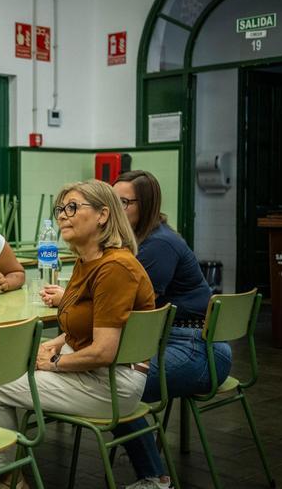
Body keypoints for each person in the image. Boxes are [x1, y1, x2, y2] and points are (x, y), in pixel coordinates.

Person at [0, 179, 155, 489]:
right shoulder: (87, 261)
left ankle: (3, 476)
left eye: (73, 207)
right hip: (99, 372)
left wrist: (53, 363)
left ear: (103, 215)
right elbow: (88, 322)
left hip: (112, 384)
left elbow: (104, 351)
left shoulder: (114, 267)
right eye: (61, 208)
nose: (63, 215)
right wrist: (54, 343)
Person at [111, 170, 224, 489]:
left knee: (117, 388)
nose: (115, 210)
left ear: (144, 206)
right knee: (112, 380)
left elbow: (133, 306)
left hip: (196, 350)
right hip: (185, 342)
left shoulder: (157, 245)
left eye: (124, 202)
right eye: (112, 201)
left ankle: (155, 477)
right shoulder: (143, 239)